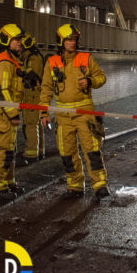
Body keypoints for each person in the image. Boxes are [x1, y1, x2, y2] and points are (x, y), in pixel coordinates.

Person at [40, 23, 110, 199]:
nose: (72, 43)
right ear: (61, 41)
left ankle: (100, 184)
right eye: (69, 40)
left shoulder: (86, 59)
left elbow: (101, 77)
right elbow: (46, 89)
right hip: (63, 117)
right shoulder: (51, 62)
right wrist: (43, 112)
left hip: (85, 113)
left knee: (92, 151)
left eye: (74, 40)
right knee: (67, 154)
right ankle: (75, 185)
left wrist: (90, 81)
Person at [0, 24, 25, 197]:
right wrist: (13, 113)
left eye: (20, 39)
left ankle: (8, 182)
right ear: (6, 40)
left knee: (9, 151)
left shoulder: (9, 60)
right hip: (2, 116)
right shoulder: (3, 62)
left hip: (5, 115)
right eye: (16, 40)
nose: (19, 43)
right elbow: (1, 92)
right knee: (2, 151)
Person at [20, 33, 45, 163]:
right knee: (35, 123)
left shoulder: (34, 57)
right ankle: (39, 151)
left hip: (32, 93)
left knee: (30, 124)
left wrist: (20, 69)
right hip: (31, 93)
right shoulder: (28, 56)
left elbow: (33, 74)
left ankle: (31, 154)